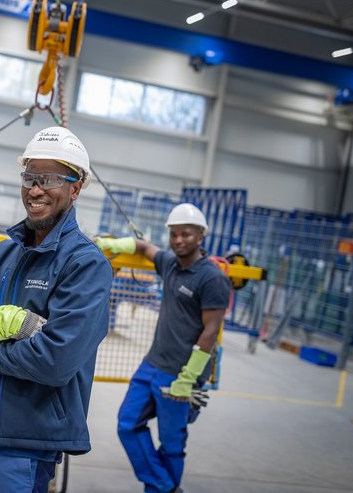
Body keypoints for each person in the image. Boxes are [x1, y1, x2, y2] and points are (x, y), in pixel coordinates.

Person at [0, 126, 113, 492]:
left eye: (49, 179)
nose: (35, 190)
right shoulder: (2, 254)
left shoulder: (85, 265)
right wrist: (5, 321)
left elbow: (55, 361)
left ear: (76, 187)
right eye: (30, 177)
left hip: (25, 443)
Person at [95, 203, 231, 493]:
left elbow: (210, 332)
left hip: (179, 374)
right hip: (152, 365)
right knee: (127, 425)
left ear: (201, 236)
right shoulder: (169, 263)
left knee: (171, 444)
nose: (179, 240)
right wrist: (110, 242)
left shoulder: (212, 278)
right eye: (174, 234)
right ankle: (166, 488)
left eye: (186, 234)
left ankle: (159, 489)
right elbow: (144, 247)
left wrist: (187, 379)